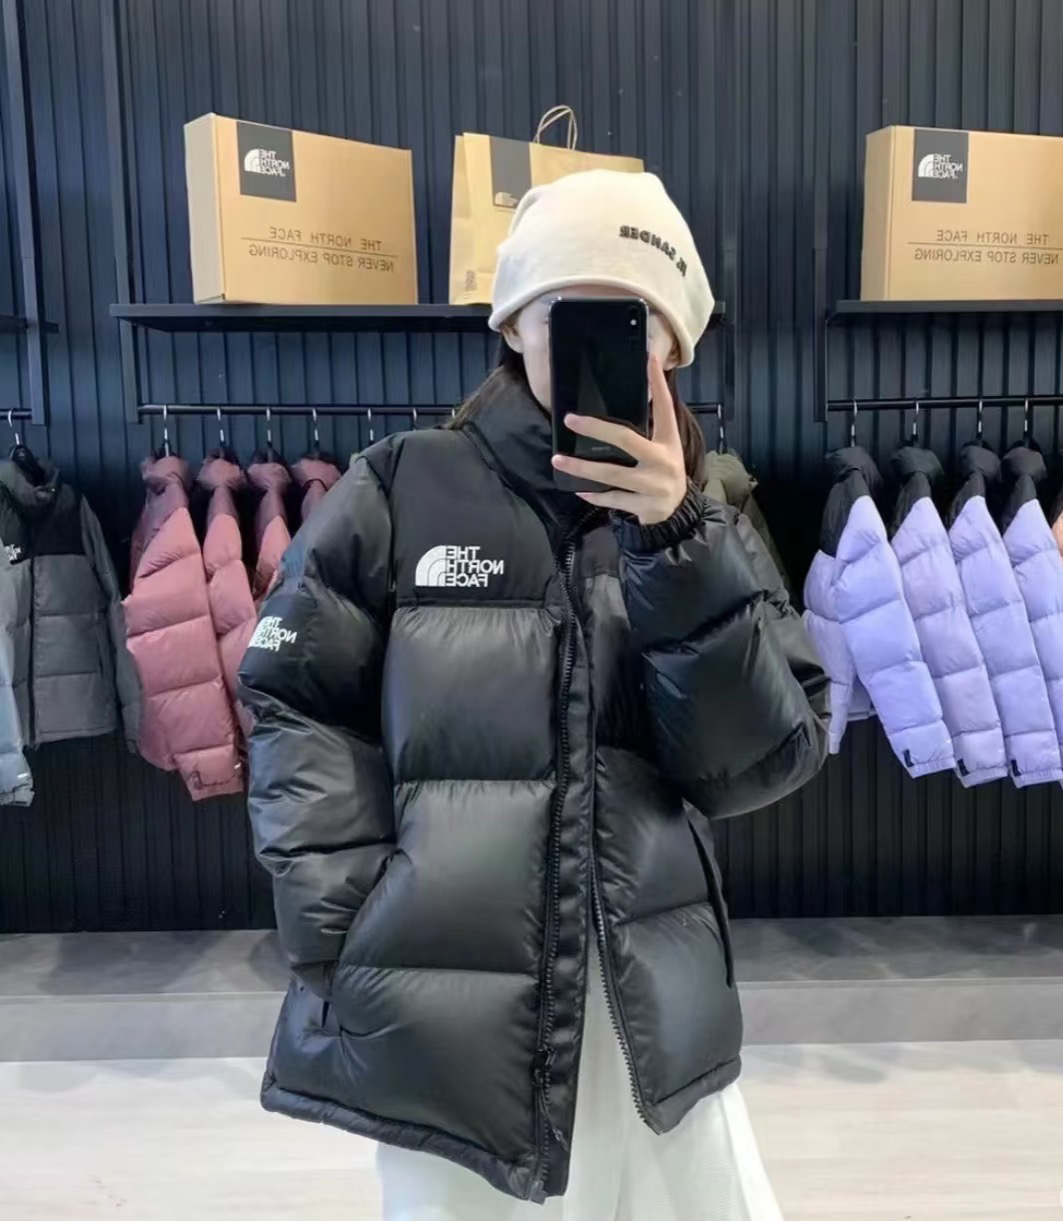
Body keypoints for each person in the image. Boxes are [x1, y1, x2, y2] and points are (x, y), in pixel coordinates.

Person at [238, 169, 829, 1220]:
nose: (607, 343)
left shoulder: (712, 513)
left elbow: (761, 762)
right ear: (512, 324)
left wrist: (673, 544)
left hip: (648, 1004)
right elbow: (294, 697)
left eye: (638, 321)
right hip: (443, 1010)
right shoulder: (400, 486)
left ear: (673, 348)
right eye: (572, 310)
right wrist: (346, 923)